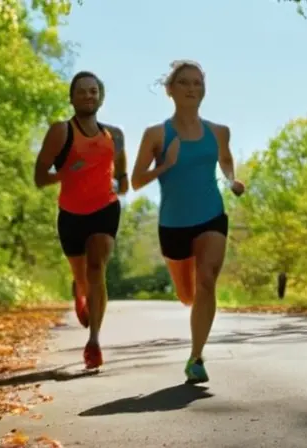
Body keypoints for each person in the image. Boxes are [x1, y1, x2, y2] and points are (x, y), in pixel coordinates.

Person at [130, 60, 245, 384]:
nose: (192, 88)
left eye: (198, 83)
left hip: (211, 215)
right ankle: (190, 306)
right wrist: (165, 164)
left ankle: (196, 357)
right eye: (184, 82)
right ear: (170, 90)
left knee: (206, 280)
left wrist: (232, 181)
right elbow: (136, 181)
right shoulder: (156, 134)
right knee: (187, 295)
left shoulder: (219, 132)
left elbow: (225, 159)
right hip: (173, 224)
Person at [33, 71, 129, 369]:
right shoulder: (61, 132)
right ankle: (80, 289)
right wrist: (66, 174)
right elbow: (40, 177)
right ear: (72, 98)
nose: (88, 96)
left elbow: (121, 171)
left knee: (97, 267)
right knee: (83, 275)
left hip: (105, 209)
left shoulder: (114, 134)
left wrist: (121, 183)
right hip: (71, 214)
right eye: (82, 91)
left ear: (100, 97)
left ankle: (94, 341)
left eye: (93, 91)